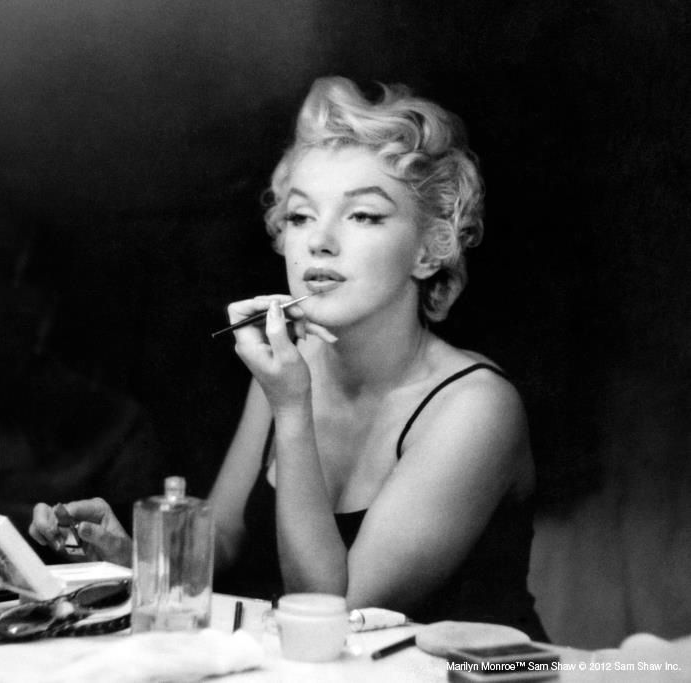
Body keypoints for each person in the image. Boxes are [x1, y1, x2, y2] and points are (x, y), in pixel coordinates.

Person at [29, 76, 547, 639]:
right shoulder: (290, 369)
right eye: (301, 216)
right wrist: (134, 555)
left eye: (363, 215)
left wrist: (293, 409)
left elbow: (336, 614)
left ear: (429, 249)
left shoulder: (477, 408)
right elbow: (226, 538)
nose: (319, 241)